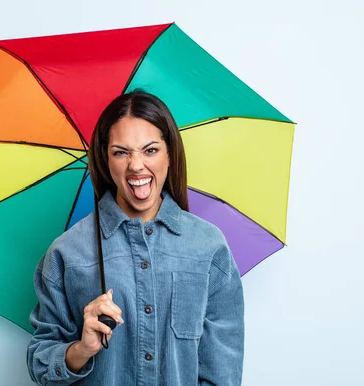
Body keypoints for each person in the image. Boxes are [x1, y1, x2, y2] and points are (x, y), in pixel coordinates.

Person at [26, 90, 244, 385]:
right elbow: (41, 365)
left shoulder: (208, 247)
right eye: (121, 152)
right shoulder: (67, 253)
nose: (136, 165)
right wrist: (81, 349)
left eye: (150, 150)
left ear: (170, 154)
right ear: (105, 159)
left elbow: (223, 372)